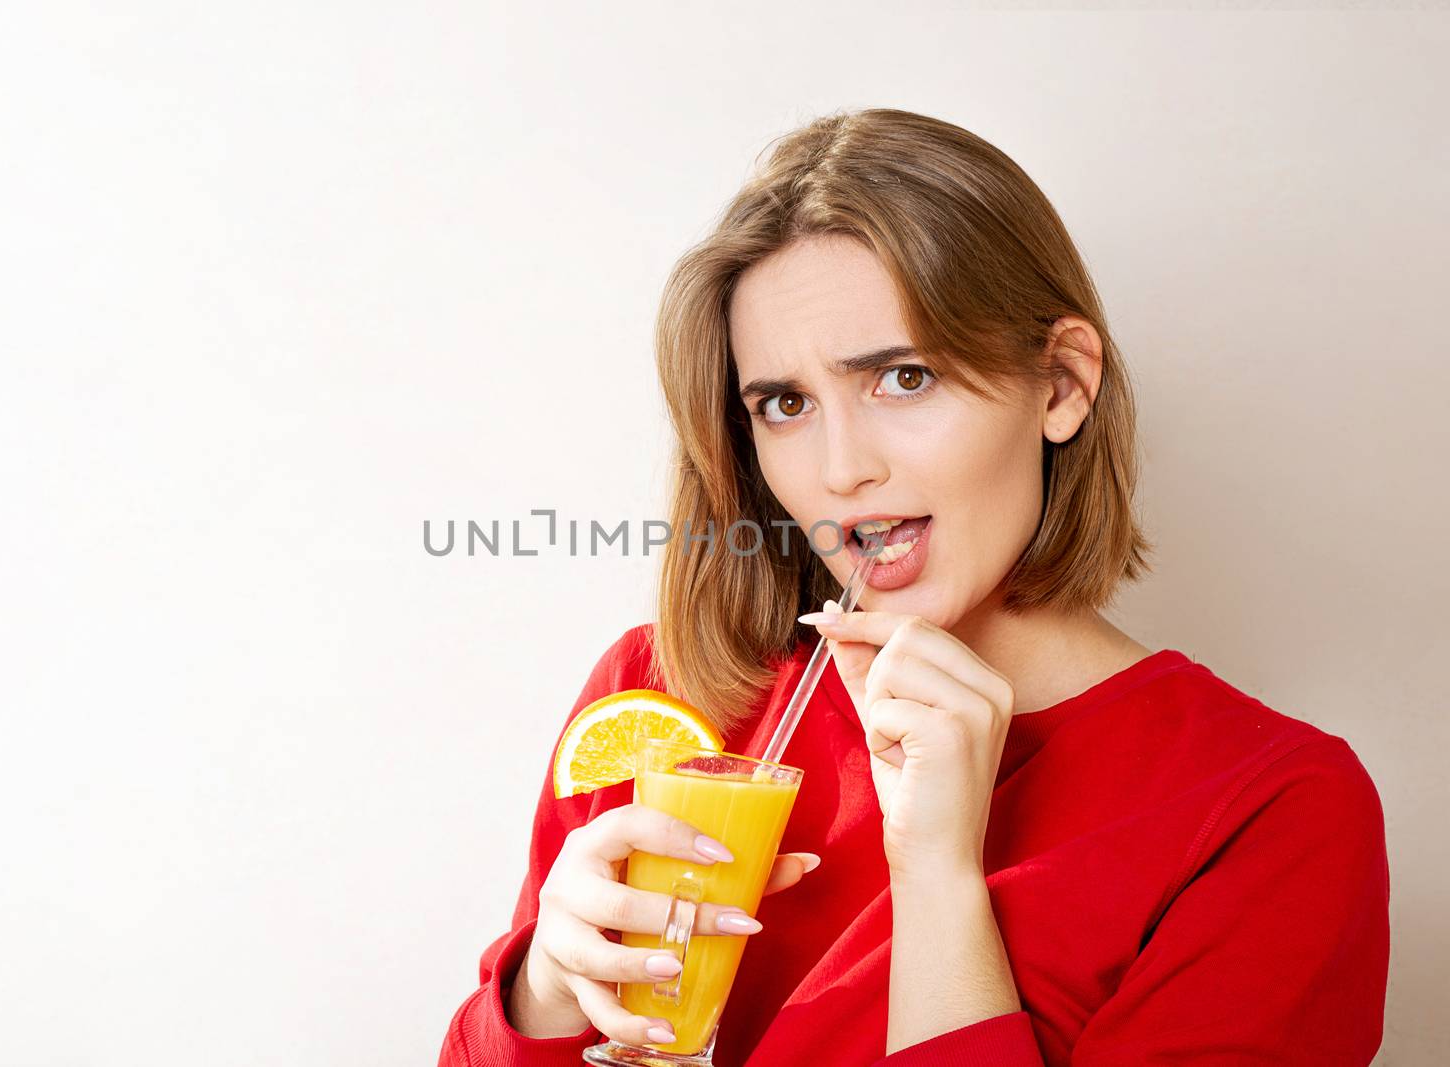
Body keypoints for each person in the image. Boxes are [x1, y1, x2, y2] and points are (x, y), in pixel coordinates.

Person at [436, 108, 1389, 1065]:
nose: (841, 469)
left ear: (1060, 384)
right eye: (785, 403)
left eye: (902, 378)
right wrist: (544, 997)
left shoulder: (1273, 813)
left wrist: (937, 876)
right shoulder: (667, 696)